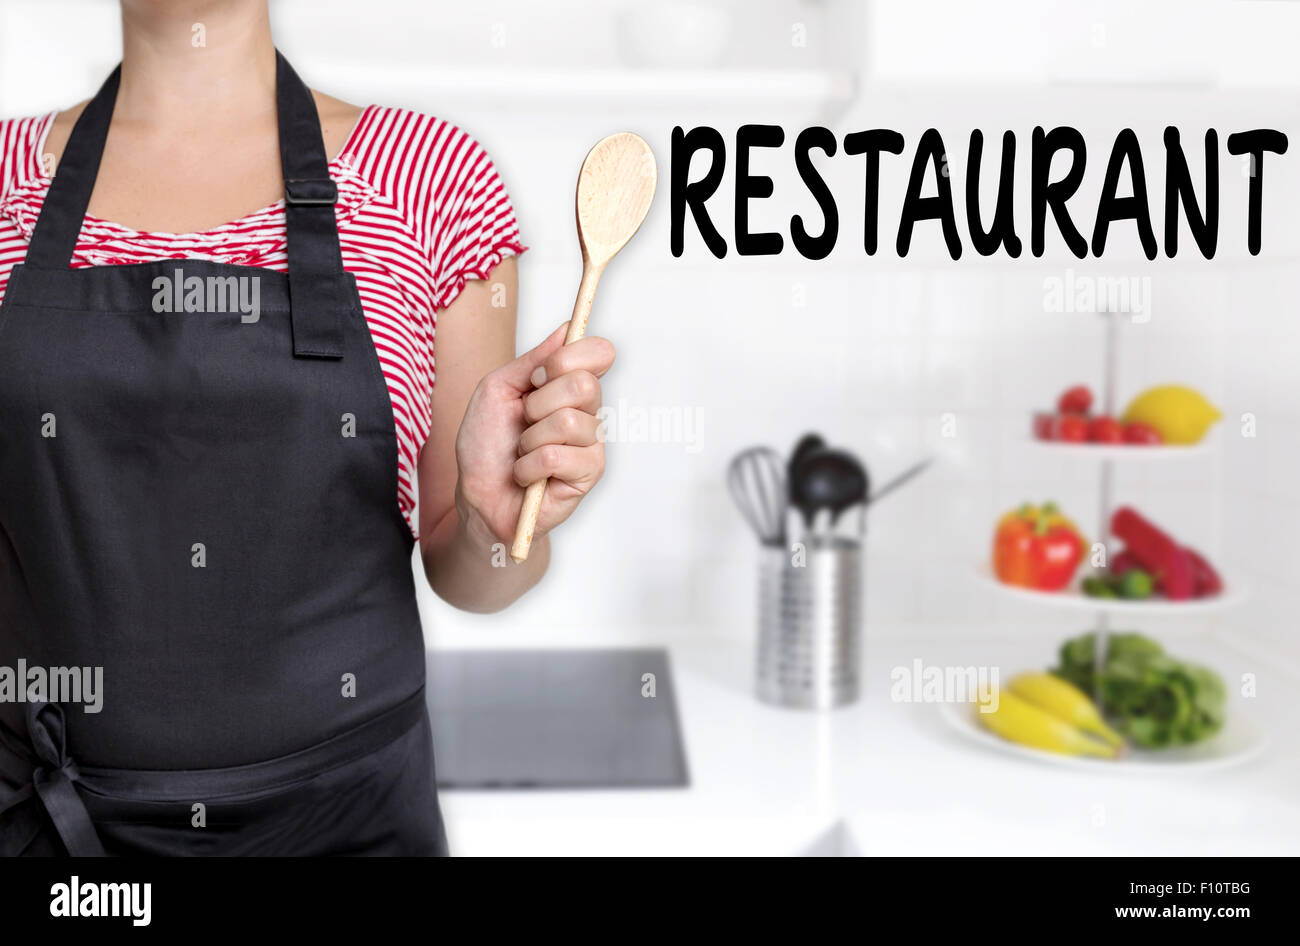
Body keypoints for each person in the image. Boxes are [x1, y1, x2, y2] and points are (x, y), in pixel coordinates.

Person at [0, 0, 614, 855]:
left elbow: (475, 573)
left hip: (349, 826)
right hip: (59, 836)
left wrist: (494, 520)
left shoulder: (431, 179)